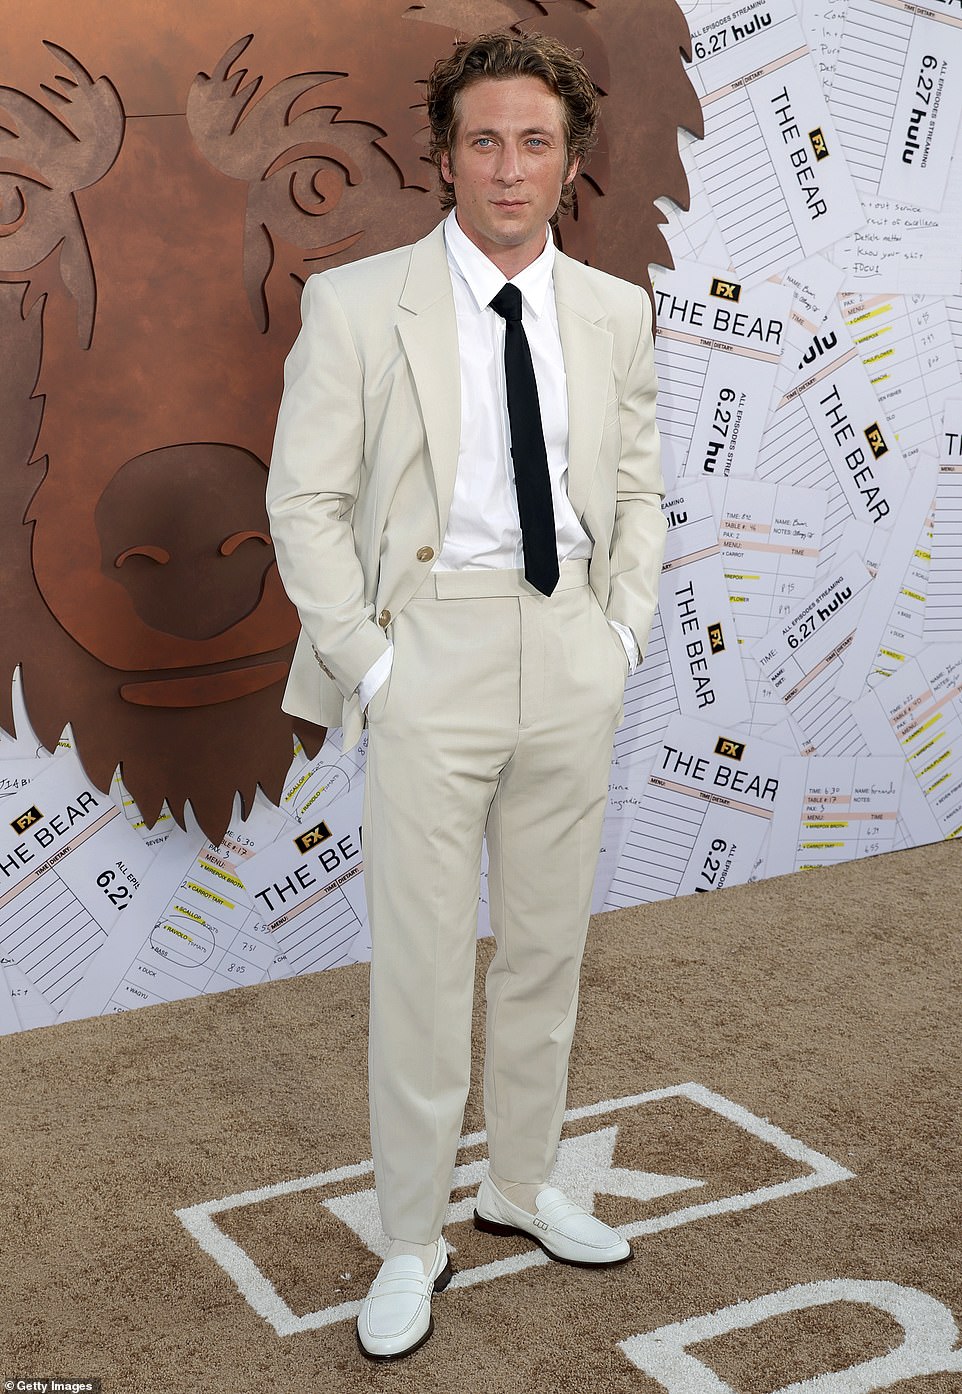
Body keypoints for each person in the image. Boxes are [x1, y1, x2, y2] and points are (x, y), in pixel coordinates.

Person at [266, 29, 667, 1360]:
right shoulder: (356, 302)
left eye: (534, 141)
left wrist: (615, 635)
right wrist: (372, 661)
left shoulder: (614, 312)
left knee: (547, 945)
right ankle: (408, 1236)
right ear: (442, 156)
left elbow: (632, 492)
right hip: (426, 648)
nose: (509, 168)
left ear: (569, 163)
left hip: (566, 648)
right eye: (483, 140)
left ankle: (523, 1182)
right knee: (425, 968)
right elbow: (305, 499)